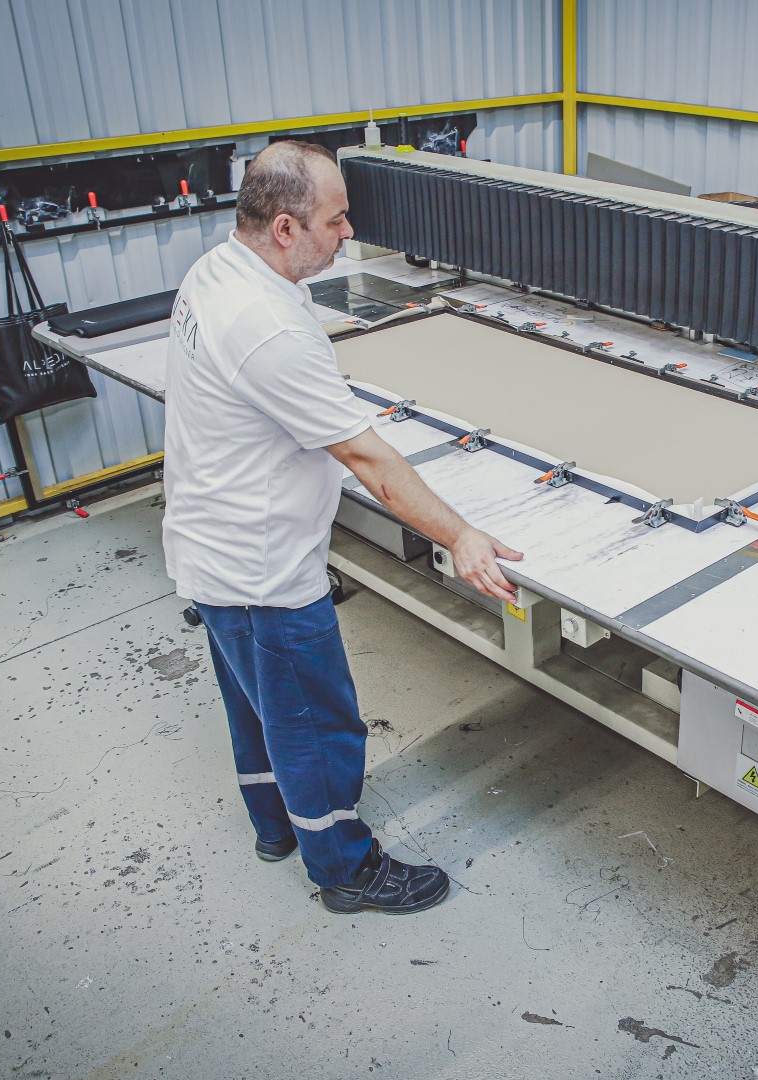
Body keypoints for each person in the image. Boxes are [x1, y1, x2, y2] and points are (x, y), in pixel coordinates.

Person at [162, 140, 523, 915]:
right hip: (262, 570)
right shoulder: (266, 326)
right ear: (285, 227)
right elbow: (369, 462)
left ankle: (275, 828)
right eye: (336, 220)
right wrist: (460, 535)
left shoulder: (218, 271)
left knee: (256, 709)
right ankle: (345, 870)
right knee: (316, 727)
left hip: (209, 546)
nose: (349, 232)